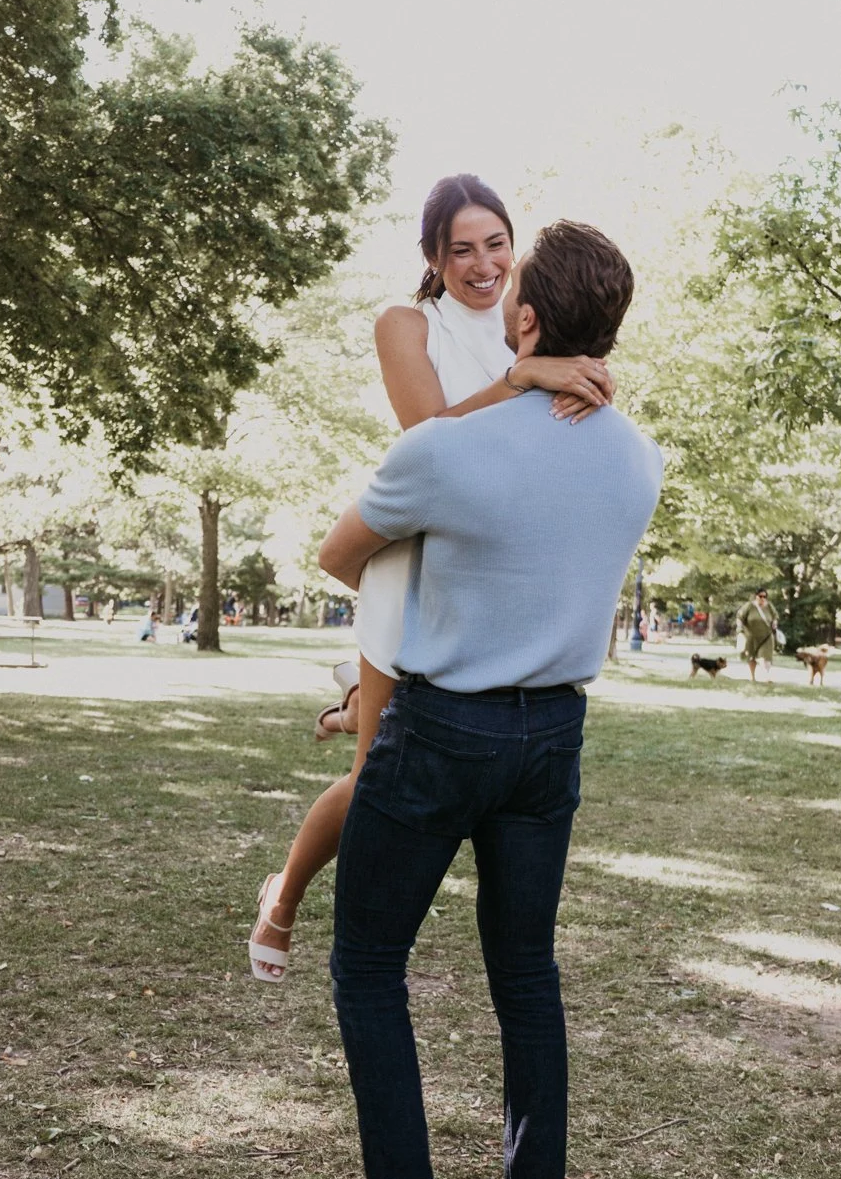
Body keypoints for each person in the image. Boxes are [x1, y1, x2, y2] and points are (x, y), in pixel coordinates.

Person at [299, 221, 663, 1179]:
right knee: (525, 970)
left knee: (368, 961)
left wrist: (504, 389)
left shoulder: (447, 449)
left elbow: (338, 556)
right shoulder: (638, 459)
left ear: (530, 320)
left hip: (443, 729)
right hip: (553, 735)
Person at [246, 175, 614, 982]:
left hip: (489, 581)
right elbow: (429, 436)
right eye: (460, 249)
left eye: (495, 245)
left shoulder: (540, 328)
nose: (481, 264)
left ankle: (355, 705)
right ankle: (285, 895)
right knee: (374, 777)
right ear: (432, 256)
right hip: (409, 562)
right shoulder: (407, 324)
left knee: (401, 749)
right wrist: (523, 380)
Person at [736, 587, 780, 683]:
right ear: (756, 596)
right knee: (751, 657)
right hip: (751, 636)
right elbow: (739, 617)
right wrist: (739, 629)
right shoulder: (749, 606)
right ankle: (752, 677)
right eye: (760, 596)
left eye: (765, 596)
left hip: (766, 636)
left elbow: (775, 616)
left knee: (766, 656)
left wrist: (774, 623)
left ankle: (767, 676)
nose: (762, 598)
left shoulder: (769, 606)